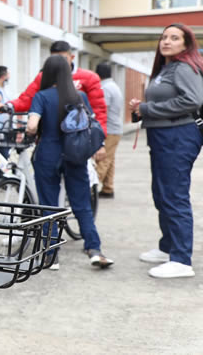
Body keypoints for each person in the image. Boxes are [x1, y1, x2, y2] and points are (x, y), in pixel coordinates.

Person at [26, 55, 113, 270]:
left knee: (49, 205)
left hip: (47, 155)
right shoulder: (80, 96)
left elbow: (32, 126)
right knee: (82, 204)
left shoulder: (42, 96)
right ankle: (94, 250)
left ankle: (51, 255)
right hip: (75, 156)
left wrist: (29, 131)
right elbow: (90, 125)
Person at [130, 23, 203, 279]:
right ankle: (168, 246)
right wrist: (142, 107)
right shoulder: (167, 68)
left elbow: (193, 100)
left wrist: (148, 109)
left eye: (174, 38)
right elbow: (168, 100)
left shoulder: (184, 67)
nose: (167, 41)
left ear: (186, 44)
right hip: (162, 136)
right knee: (162, 194)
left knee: (174, 195)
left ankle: (181, 259)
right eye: (164, 37)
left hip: (178, 136)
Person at [0, 40, 107, 161]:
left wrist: (100, 143)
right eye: (54, 59)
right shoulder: (43, 78)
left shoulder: (88, 78)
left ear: (72, 57)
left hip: (77, 141)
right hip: (49, 139)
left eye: (63, 58)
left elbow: (98, 112)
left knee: (85, 175)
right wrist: (9, 106)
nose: (59, 63)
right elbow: (27, 98)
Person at [94, 63, 123, 199]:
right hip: (116, 128)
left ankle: (90, 190)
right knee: (110, 160)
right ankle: (108, 188)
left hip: (109, 129)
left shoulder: (104, 89)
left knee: (103, 160)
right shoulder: (114, 86)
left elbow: (102, 109)